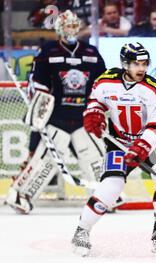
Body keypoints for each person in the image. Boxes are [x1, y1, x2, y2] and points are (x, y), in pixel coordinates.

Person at [71, 42, 156, 257]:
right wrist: (94, 114)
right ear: (125, 64)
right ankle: (81, 231)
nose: (141, 68)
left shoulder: (155, 89)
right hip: (118, 141)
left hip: (148, 142)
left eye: (145, 63)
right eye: (136, 64)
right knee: (112, 185)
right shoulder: (105, 81)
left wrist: (141, 147)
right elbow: (95, 103)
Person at [5, 10, 106, 214]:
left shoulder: (91, 53)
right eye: (67, 26)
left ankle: (105, 195)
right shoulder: (48, 52)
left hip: (82, 118)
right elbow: (37, 85)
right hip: (56, 117)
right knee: (46, 160)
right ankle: (19, 194)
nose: (71, 29)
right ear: (60, 29)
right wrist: (38, 114)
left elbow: (102, 84)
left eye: (73, 25)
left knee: (93, 156)